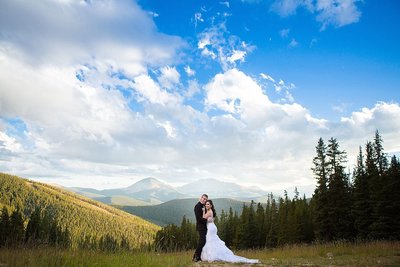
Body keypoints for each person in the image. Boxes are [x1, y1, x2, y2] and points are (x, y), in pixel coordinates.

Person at [201, 200, 259, 264]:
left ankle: (212, 255)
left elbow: (203, 217)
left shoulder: (209, 211)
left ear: (211, 205)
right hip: (212, 227)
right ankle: (213, 254)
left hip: (211, 228)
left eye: (208, 204)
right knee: (213, 241)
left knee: (210, 241)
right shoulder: (210, 211)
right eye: (206, 204)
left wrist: (203, 211)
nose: (206, 205)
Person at [193, 193, 208, 262]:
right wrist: (206, 220)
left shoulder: (204, 206)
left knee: (203, 241)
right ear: (201, 198)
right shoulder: (197, 206)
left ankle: (199, 257)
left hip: (205, 227)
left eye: (205, 199)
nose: (204, 200)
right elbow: (198, 218)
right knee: (202, 241)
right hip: (200, 227)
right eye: (203, 198)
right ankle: (196, 257)